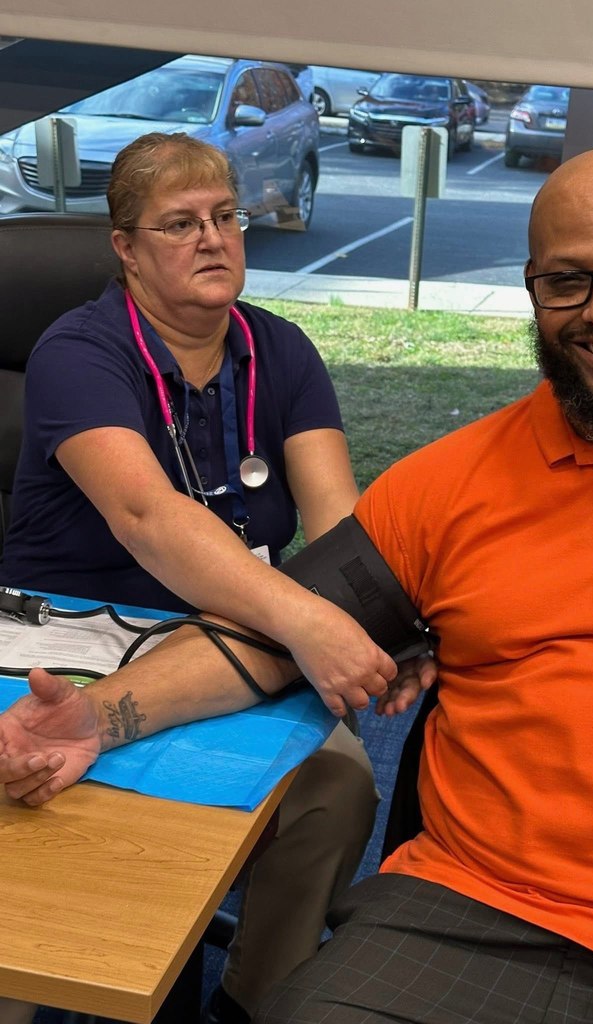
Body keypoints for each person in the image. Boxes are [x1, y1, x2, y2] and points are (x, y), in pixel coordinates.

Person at [2, 145, 593, 1024]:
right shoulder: (450, 483)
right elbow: (279, 622)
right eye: (567, 282)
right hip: (468, 909)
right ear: (531, 291)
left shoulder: (278, 352)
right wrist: (94, 719)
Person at [0, 132, 399, 1024]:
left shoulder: (284, 353)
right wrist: (309, 622)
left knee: (338, 793)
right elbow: (149, 518)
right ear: (127, 249)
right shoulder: (78, 351)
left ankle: (256, 1001)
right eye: (179, 224)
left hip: (239, 647)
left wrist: (347, 617)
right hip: (67, 641)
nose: (214, 239)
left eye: (226, 216)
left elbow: (341, 535)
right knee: (26, 794)